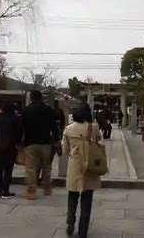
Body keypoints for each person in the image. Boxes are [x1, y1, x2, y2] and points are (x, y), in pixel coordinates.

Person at [62, 101, 101, 238]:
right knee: (87, 198)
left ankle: (70, 221)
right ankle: (83, 229)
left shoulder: (68, 128)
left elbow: (65, 149)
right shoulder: (93, 127)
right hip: (89, 165)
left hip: (74, 164)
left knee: (72, 194)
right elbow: (98, 141)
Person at [21, 90, 60, 200]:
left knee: (31, 168)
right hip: (46, 142)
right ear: (41, 97)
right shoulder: (48, 110)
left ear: (31, 98)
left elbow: (21, 127)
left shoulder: (26, 110)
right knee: (46, 166)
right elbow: (54, 127)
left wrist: (19, 140)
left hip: (30, 142)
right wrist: (57, 139)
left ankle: (31, 190)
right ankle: (47, 188)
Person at [0, 102, 21, 199]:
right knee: (8, 170)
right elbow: (19, 132)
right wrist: (18, 142)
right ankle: (5, 190)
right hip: (10, 147)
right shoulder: (15, 118)